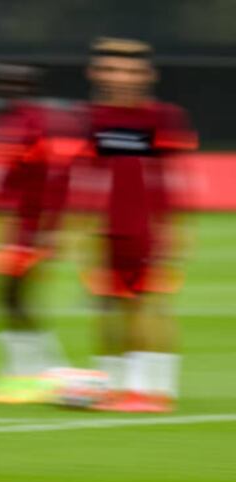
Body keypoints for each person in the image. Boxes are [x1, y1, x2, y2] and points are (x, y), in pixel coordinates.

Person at [79, 38, 197, 412]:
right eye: (113, 69)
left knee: (147, 305)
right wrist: (81, 228)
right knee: (107, 307)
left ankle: (153, 390)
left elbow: (174, 176)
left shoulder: (163, 117)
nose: (122, 77)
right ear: (95, 72)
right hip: (105, 226)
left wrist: (177, 227)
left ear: (148, 75)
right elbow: (85, 175)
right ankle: (115, 386)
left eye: (131, 70)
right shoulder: (89, 119)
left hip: (146, 225)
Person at [0, 64, 75, 404]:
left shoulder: (37, 124)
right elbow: (1, 181)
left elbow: (57, 180)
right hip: (8, 224)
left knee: (9, 295)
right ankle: (45, 371)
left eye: (12, 83)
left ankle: (26, 374)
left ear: (28, 87)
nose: (3, 89)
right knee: (9, 298)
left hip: (31, 225)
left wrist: (51, 228)